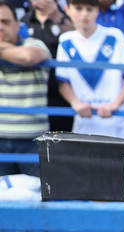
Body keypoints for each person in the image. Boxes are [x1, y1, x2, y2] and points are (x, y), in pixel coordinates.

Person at [56, 0, 124, 141]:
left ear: (97, 10)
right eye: (78, 8)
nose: (84, 14)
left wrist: (115, 104)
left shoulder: (115, 36)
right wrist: (75, 103)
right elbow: (63, 82)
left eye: (89, 9)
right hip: (86, 127)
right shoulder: (65, 40)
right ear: (67, 10)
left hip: (120, 127)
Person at [0, 2, 51, 176]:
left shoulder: (34, 43)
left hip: (33, 141)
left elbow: (29, 57)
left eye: (5, 22)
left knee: (38, 192)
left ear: (18, 24)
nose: (0, 27)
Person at [22, 0, 75, 134]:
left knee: (62, 138)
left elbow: (79, 38)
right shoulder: (23, 22)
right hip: (32, 94)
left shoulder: (65, 18)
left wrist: (57, 17)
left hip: (62, 91)